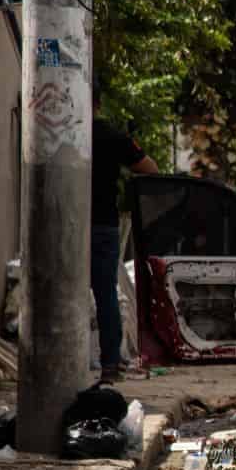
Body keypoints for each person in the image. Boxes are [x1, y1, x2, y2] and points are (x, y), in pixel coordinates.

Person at [92, 93, 158, 383]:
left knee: (58, 292)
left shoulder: (54, 129)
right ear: (98, 102)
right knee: (105, 293)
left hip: (62, 225)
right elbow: (149, 169)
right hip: (102, 224)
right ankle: (109, 365)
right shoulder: (111, 135)